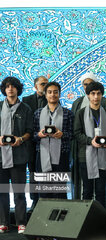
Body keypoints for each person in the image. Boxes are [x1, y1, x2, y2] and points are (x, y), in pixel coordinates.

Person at [71, 72, 106, 200]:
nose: (96, 97)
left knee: (101, 191)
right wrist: (90, 141)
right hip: (85, 156)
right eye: (92, 94)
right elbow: (76, 133)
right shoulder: (80, 113)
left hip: (103, 155)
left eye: (98, 93)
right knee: (87, 191)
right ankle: (87, 220)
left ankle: (102, 219)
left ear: (102, 95)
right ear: (88, 95)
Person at [0, 77, 33, 234]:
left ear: (18, 89)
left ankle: (21, 222)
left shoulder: (25, 108)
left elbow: (30, 132)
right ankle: (3, 222)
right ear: (4, 89)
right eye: (7, 87)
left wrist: (20, 139)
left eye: (13, 86)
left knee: (19, 191)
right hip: (1, 156)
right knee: (2, 191)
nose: (10, 89)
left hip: (19, 156)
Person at [33, 82, 74, 199]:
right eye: (49, 92)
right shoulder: (38, 113)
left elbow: (72, 135)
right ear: (45, 95)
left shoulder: (68, 113)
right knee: (44, 191)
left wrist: (62, 134)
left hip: (62, 156)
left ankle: (61, 217)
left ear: (60, 94)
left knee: (60, 190)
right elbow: (33, 135)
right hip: (42, 155)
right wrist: (39, 135)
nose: (53, 95)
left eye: (55, 92)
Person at [23, 76, 48, 212]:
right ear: (35, 86)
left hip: (47, 143)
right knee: (33, 173)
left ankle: (46, 200)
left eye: (47, 84)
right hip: (32, 142)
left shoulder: (51, 98)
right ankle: (34, 200)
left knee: (46, 174)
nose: (45, 86)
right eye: (43, 84)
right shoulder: (26, 100)